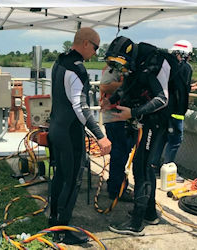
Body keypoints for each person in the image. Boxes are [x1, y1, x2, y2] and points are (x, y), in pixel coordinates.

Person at [101, 36, 177, 236]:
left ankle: (136, 224)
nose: (121, 69)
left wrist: (132, 114)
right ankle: (149, 213)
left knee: (142, 168)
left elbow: (162, 99)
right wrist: (112, 101)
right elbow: (129, 87)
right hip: (146, 121)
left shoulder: (154, 64)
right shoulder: (138, 65)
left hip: (156, 123)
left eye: (121, 64)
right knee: (144, 168)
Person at [48, 27, 111, 244]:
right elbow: (80, 106)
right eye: (95, 47)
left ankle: (53, 221)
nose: (95, 52)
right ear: (85, 43)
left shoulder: (59, 62)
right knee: (72, 179)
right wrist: (100, 135)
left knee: (59, 176)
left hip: (56, 128)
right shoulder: (77, 69)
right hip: (69, 132)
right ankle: (63, 230)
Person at [151, 40, 197, 183]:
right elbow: (183, 89)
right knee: (175, 141)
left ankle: (153, 166)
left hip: (162, 109)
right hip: (176, 111)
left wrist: (195, 85)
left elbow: (179, 87)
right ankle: (168, 169)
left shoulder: (165, 67)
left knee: (162, 138)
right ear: (185, 54)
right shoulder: (186, 68)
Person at [99, 66, 134, 201]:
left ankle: (118, 186)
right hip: (114, 119)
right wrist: (131, 84)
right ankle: (116, 190)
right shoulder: (112, 70)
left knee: (123, 153)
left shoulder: (124, 69)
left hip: (123, 118)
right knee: (119, 154)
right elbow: (105, 86)